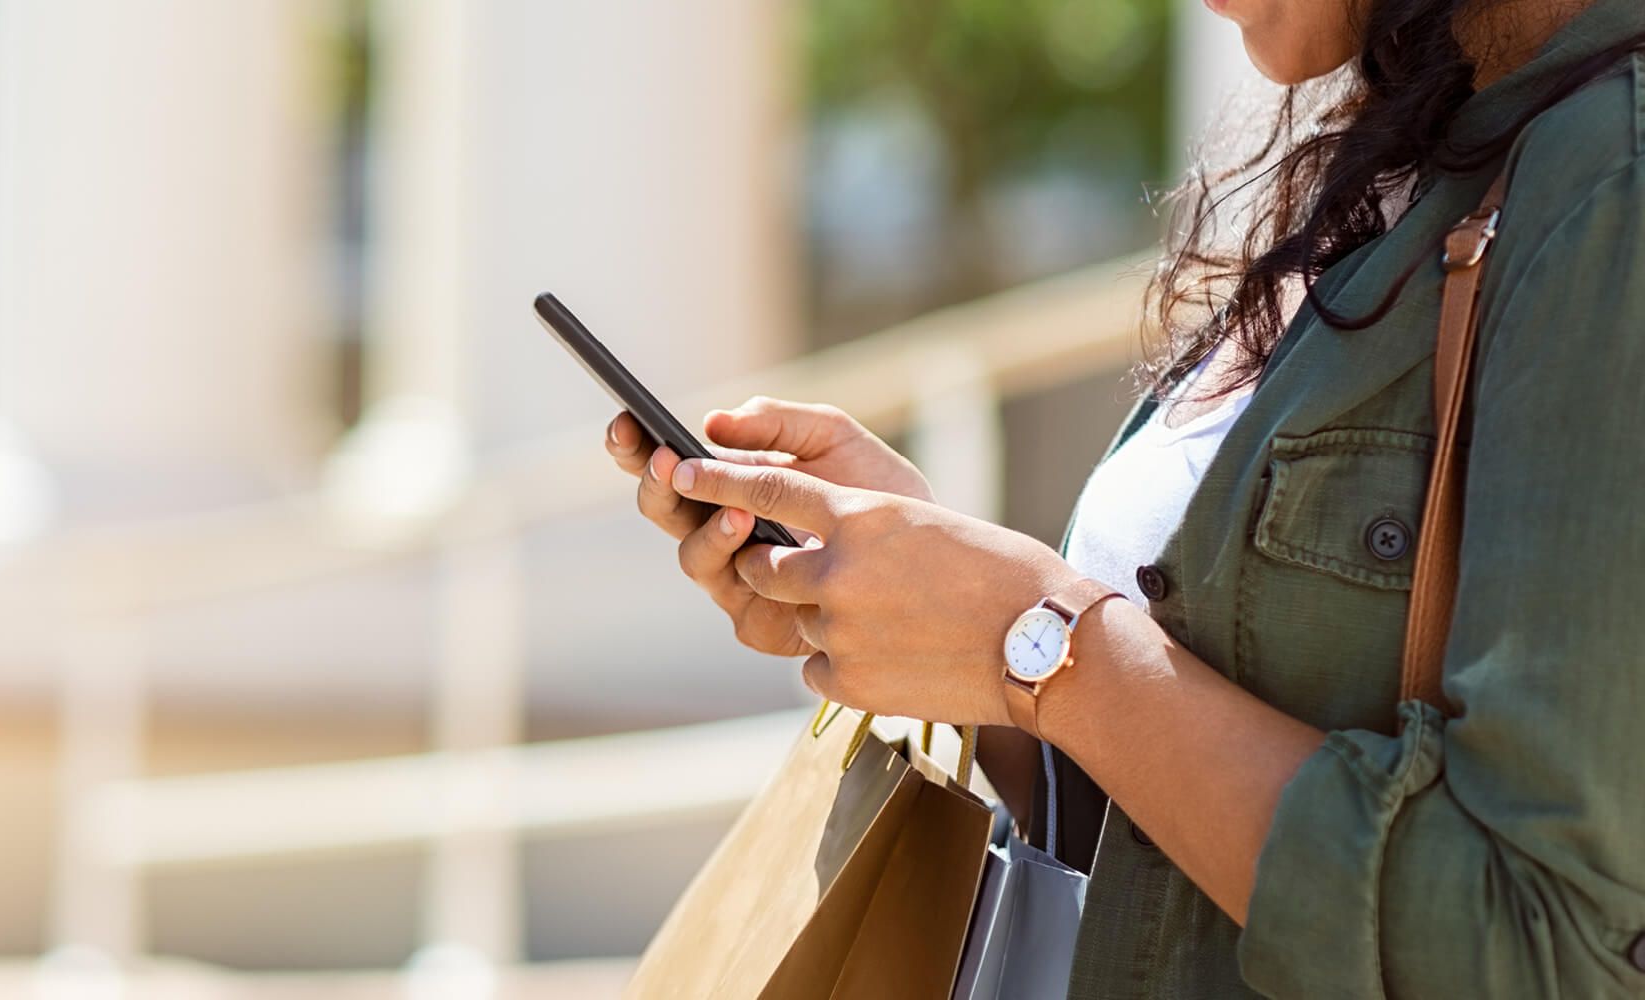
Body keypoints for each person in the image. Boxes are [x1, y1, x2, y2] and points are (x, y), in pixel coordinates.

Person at [604, 0, 1645, 993]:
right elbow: (1149, 835)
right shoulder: (1428, 152)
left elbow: (1545, 949)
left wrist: (1038, 640)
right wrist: (943, 622)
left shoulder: (1609, 181)